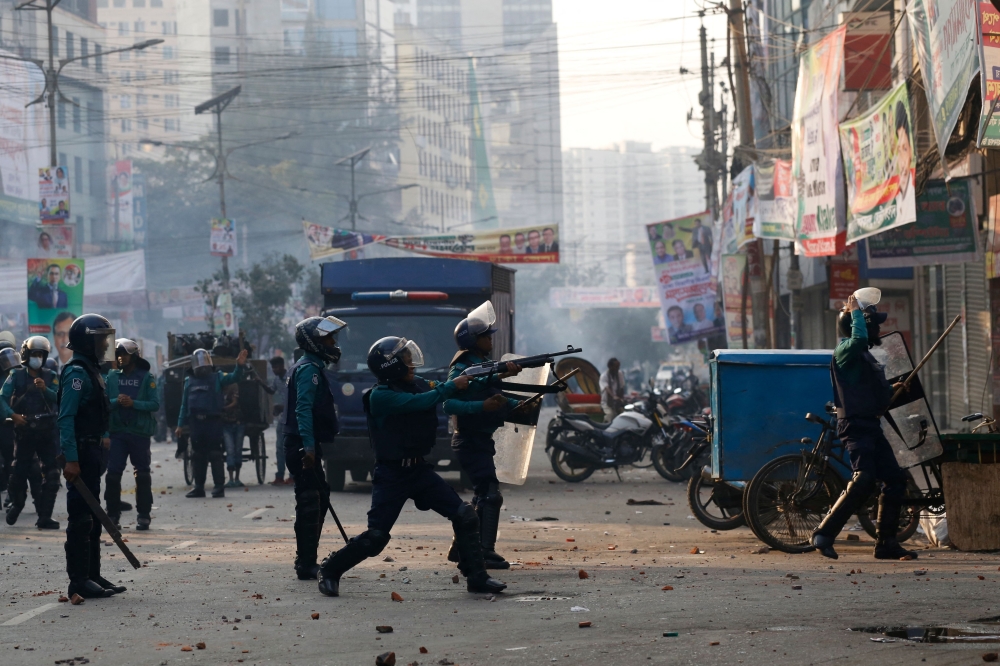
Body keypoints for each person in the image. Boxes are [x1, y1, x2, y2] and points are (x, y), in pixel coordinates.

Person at [317, 336, 506, 597]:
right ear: (391, 366)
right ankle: (330, 570)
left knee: (465, 515)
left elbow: (448, 389)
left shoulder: (417, 384)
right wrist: (452, 386)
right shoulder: (380, 396)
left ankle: (477, 577)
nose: (412, 365)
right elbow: (426, 400)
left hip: (419, 471)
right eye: (406, 361)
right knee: (376, 538)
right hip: (392, 475)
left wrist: (494, 374)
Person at [811, 294, 916, 561]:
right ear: (860, 326)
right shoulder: (846, 349)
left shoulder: (866, 358)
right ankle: (823, 534)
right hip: (855, 425)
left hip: (870, 425)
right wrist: (856, 311)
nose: (878, 330)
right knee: (864, 478)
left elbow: (872, 393)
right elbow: (857, 339)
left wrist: (892, 389)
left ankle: (886, 544)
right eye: (873, 325)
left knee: (894, 479)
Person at [443, 301, 522, 571]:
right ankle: (483, 551)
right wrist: (481, 407)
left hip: (480, 438)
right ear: (474, 340)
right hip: (469, 439)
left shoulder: (484, 364)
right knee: (490, 495)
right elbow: (449, 403)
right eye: (486, 336)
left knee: (482, 495)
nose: (491, 339)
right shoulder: (463, 367)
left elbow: (494, 397)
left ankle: (463, 546)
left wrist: (519, 405)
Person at [58, 313, 124, 598]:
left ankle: (93, 574)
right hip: (81, 453)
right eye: (100, 340)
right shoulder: (76, 373)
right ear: (87, 342)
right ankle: (78, 580)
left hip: (93, 451)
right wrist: (71, 458)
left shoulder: (93, 370)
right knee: (81, 519)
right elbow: (66, 418)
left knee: (94, 517)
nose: (104, 345)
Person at [284, 316, 346, 580]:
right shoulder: (308, 368)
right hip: (300, 445)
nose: (333, 343)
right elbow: (303, 409)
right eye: (328, 338)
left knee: (319, 497)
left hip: (305, 444)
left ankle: (308, 559)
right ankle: (305, 563)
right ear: (314, 342)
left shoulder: (313, 367)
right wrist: (308, 447)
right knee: (309, 501)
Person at [1, 337, 61, 529]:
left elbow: (60, 397)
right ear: (27, 355)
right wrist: (13, 415)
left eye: (41, 355)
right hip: (24, 431)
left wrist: (46, 389)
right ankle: (17, 505)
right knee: (19, 473)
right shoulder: (15, 375)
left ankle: (44, 517)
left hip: (46, 432)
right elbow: (1, 398)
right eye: (34, 354)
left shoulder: (50, 375)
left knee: (52, 474)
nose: (38, 358)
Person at [176, 347, 246, 499]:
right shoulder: (189, 381)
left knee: (215, 454)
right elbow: (184, 404)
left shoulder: (218, 377)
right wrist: (180, 425)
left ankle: (219, 487)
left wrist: (239, 366)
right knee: (197, 456)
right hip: (196, 423)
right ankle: (199, 487)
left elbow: (235, 377)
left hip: (213, 422)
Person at [105, 339, 158, 531]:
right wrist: (116, 401)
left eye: (124, 354)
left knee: (142, 474)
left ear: (133, 356)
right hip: (117, 432)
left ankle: (144, 515)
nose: (120, 358)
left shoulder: (146, 377)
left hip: (139, 432)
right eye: (118, 355)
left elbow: (155, 404)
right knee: (112, 476)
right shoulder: (111, 377)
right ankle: (112, 515)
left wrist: (133, 403)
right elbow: (104, 405)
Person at [268, 356, 291, 485]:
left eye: (275, 367)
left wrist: (281, 407)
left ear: (282, 366)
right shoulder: (277, 379)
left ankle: (292, 476)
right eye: (272, 368)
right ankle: (280, 476)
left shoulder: (291, 378)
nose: (274, 370)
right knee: (279, 448)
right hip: (282, 419)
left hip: (293, 420)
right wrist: (259, 382)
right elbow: (271, 391)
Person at [222, 383, 245, 487]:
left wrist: (223, 408)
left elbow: (235, 403)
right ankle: (231, 478)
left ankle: (237, 478)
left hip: (238, 423)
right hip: (226, 425)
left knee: (237, 450)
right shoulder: (217, 389)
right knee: (230, 450)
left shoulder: (234, 387)